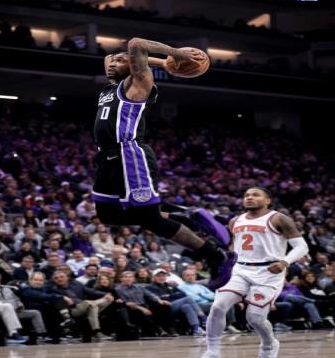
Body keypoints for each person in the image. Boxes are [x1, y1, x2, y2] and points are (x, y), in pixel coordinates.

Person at [90, 39, 234, 287]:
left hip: (129, 154)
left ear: (135, 66)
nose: (112, 62)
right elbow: (110, 58)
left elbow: (136, 44)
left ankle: (216, 256)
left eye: (121, 60)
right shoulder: (111, 87)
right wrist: (165, 63)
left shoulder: (138, 82)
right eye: (115, 60)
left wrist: (175, 54)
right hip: (106, 157)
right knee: (107, 215)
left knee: (152, 220)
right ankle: (189, 216)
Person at [191, 187, 309, 358]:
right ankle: (212, 353)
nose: (249, 198)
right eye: (246, 195)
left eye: (255, 195)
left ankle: (269, 344)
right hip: (240, 269)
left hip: (269, 272)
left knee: (254, 317)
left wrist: (285, 261)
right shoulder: (235, 221)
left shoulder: (279, 219)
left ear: (267, 200)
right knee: (218, 306)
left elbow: (302, 247)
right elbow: (234, 246)